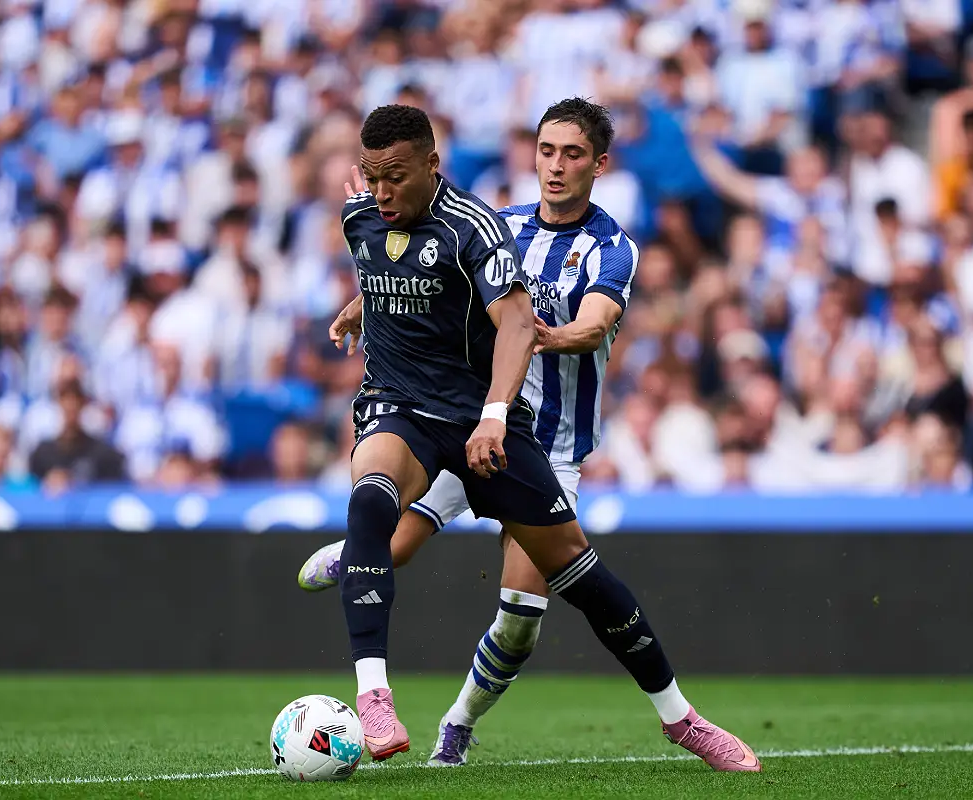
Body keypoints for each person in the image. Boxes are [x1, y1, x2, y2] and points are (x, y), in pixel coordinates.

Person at [304, 102, 759, 772]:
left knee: (528, 609)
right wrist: (366, 302)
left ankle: (667, 720)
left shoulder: (610, 247)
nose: (556, 165)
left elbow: (595, 326)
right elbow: (417, 274)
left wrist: (529, 330)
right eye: (547, 151)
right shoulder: (503, 224)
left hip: (534, 437)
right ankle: (373, 664)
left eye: (573, 154)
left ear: (599, 165)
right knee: (378, 515)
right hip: (445, 416)